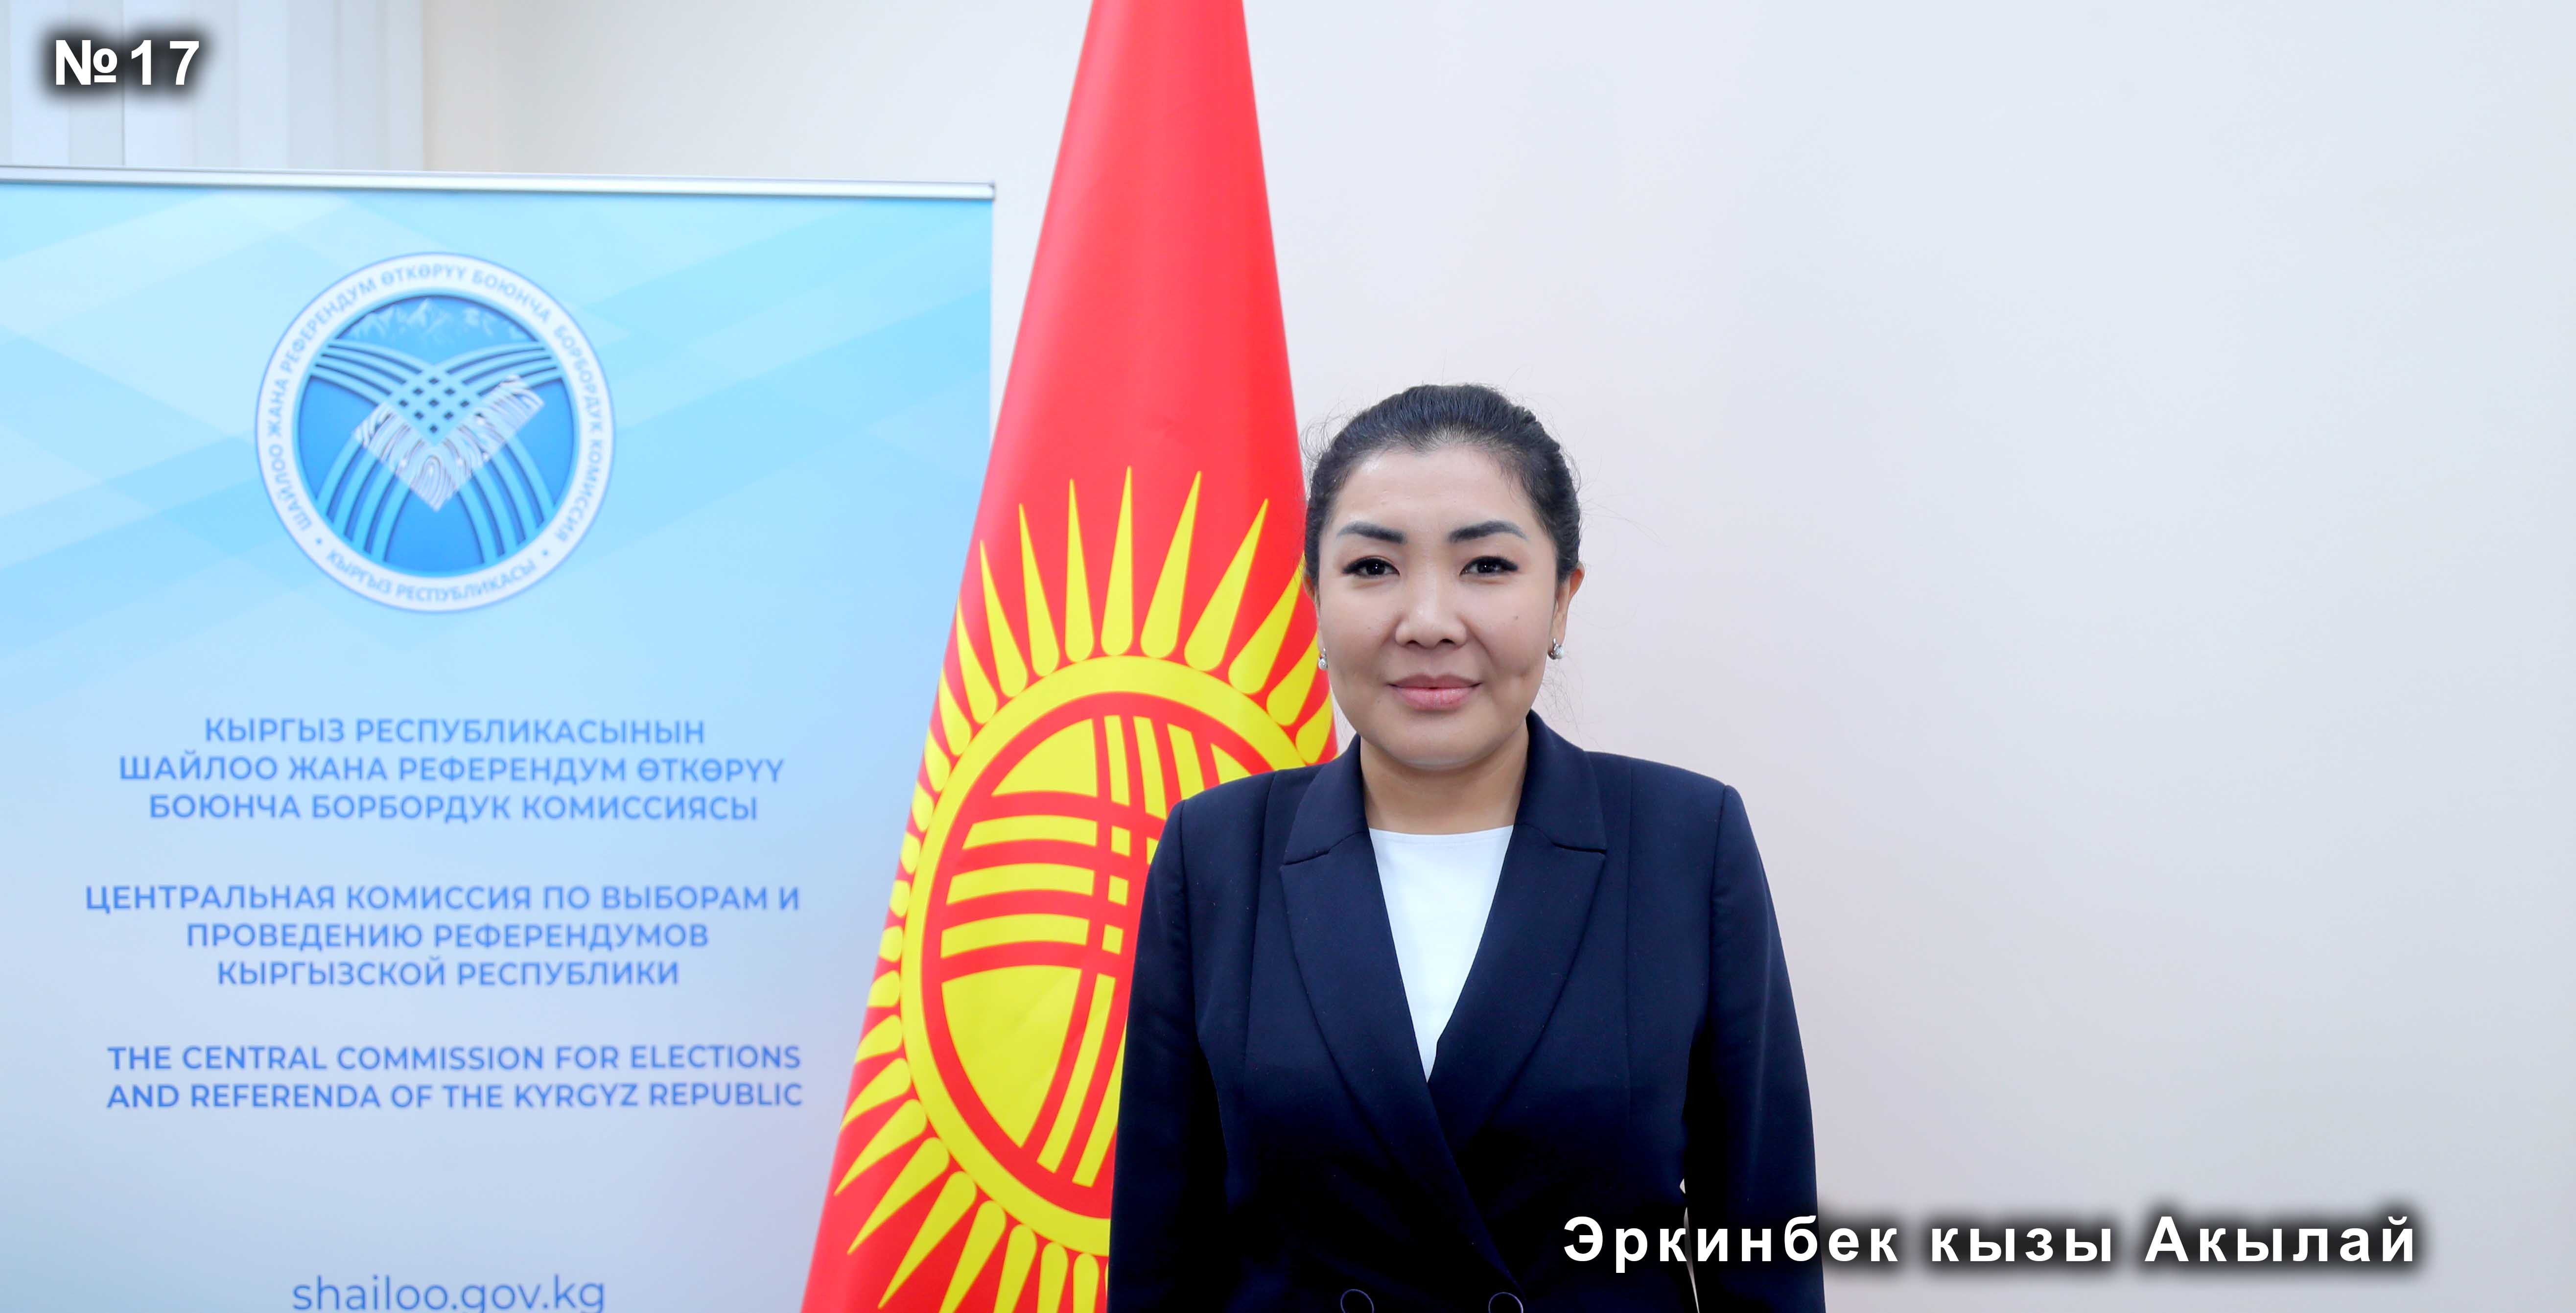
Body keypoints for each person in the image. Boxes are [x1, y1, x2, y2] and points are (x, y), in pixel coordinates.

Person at [1108, 384, 1824, 1312]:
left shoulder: (1687, 842)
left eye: (1486, 565)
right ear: (1313, 599)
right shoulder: (1214, 854)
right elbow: (1161, 1260)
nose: (1429, 620)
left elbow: (1763, 1251)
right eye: (1373, 567)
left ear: (1561, 599)